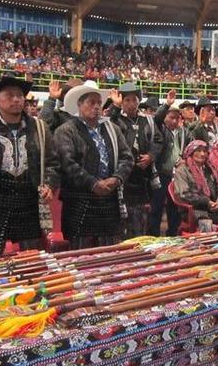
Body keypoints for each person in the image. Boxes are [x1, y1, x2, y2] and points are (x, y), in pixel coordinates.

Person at [0, 76, 59, 259]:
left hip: (28, 200)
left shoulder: (39, 127)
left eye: (19, 95)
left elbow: (52, 163)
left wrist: (49, 184)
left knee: (31, 257)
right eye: (9, 95)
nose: (16, 99)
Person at [53, 82, 134, 248]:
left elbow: (127, 157)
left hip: (109, 200)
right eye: (91, 102)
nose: (97, 106)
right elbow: (68, 164)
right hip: (79, 202)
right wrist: (93, 183)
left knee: (110, 252)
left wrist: (116, 178)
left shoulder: (112, 129)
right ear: (79, 105)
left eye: (99, 102)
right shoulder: (66, 130)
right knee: (80, 252)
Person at [108, 82, 164, 238]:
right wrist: (116, 106)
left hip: (143, 177)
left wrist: (151, 156)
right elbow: (106, 126)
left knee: (141, 217)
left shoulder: (148, 120)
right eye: (127, 100)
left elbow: (159, 140)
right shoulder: (115, 119)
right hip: (123, 177)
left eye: (134, 100)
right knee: (122, 218)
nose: (131, 104)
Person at [173, 140, 218, 232]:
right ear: (190, 152)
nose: (202, 154)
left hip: (216, 209)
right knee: (207, 227)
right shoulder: (182, 170)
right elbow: (184, 194)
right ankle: (209, 246)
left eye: (205, 151)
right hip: (196, 210)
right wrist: (207, 202)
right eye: (198, 151)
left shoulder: (210, 168)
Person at [149, 91, 190, 236]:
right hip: (161, 174)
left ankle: (172, 233)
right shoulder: (160, 129)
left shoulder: (183, 132)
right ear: (165, 116)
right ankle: (153, 235)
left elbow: (190, 149)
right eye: (171, 117)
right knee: (157, 206)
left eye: (177, 118)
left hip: (177, 175)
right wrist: (167, 104)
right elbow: (157, 119)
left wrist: (185, 159)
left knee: (175, 207)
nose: (174, 121)